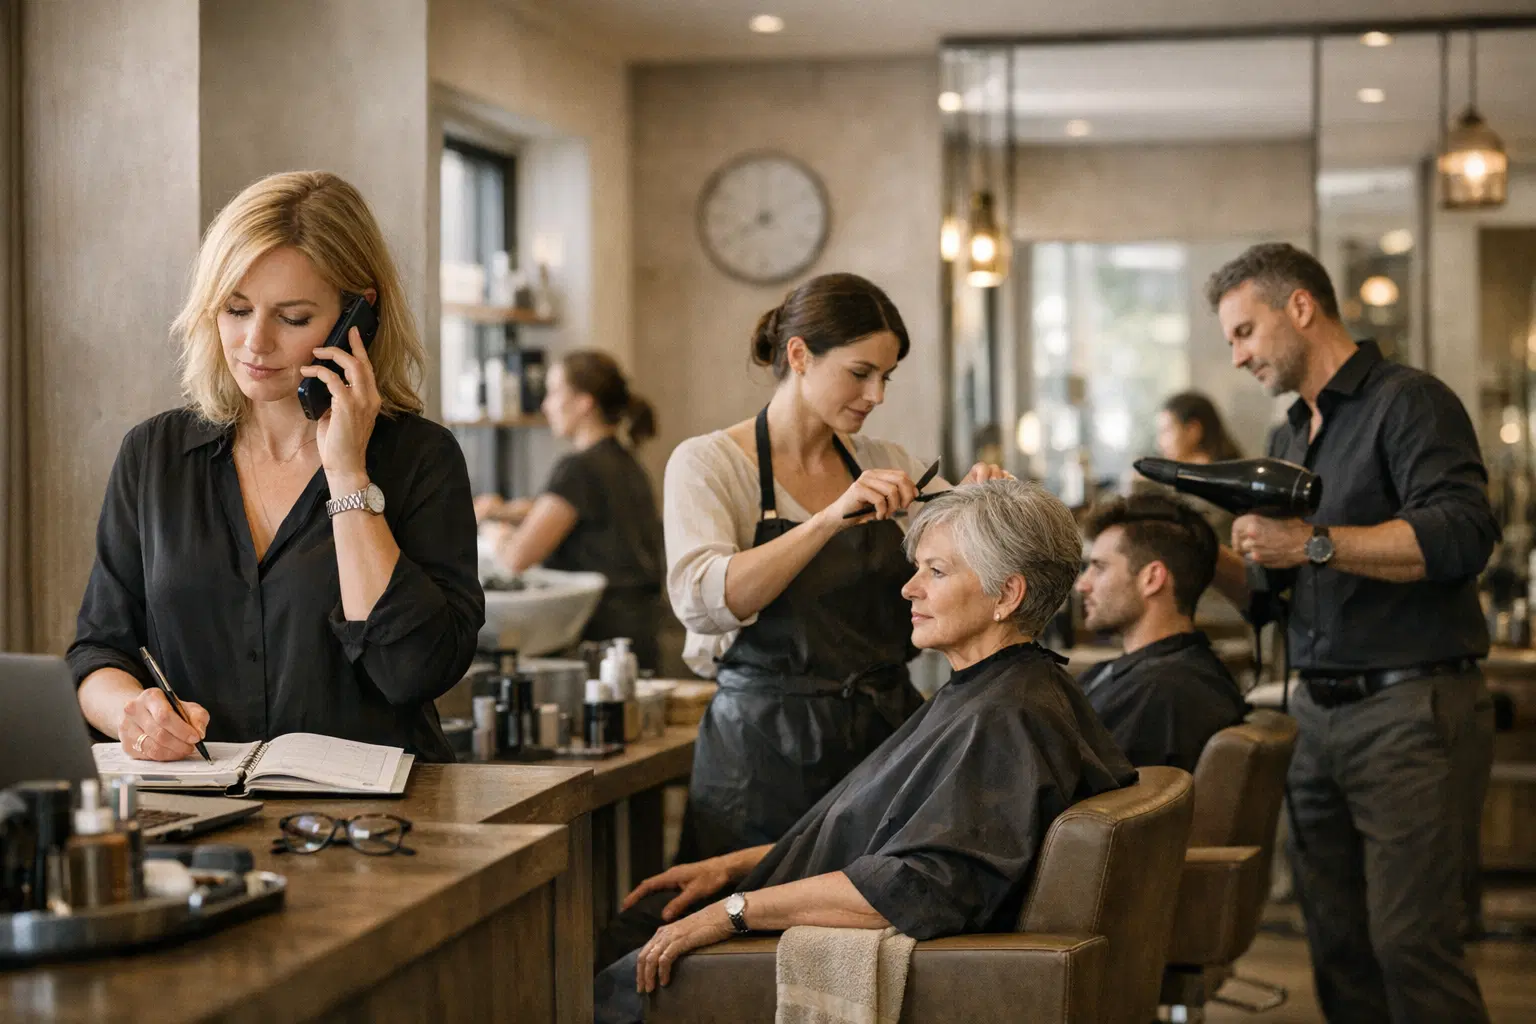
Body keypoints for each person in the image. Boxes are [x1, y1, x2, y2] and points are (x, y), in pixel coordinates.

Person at [593, 480, 1136, 1022]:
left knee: (607, 974)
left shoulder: (1007, 717)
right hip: (777, 898)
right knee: (633, 922)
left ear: (1008, 595)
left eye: (937, 571)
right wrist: (731, 867)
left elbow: (916, 885)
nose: (909, 589)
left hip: (772, 951)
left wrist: (732, 913)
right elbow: (887, 835)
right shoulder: (991, 692)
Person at [68, 171, 484, 763]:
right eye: (236, 309)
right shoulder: (154, 455)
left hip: (381, 833)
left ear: (357, 318)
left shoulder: (421, 459)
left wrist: (347, 478)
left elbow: (413, 671)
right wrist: (132, 714)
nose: (254, 343)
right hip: (201, 822)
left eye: (291, 318)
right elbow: (98, 651)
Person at [1206, 242, 1497, 1023]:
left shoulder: (1411, 402)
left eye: (1243, 333)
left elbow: (1462, 535)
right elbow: (1273, 598)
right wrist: (1206, 553)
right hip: (1315, 720)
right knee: (1336, 944)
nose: (1236, 357)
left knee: (1411, 944)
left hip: (1411, 715)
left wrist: (1311, 541)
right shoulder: (1286, 440)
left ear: (1300, 306)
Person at [663, 273, 1009, 861]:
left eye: (886, 377)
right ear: (798, 354)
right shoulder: (709, 464)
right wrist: (827, 520)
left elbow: (978, 560)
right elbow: (703, 599)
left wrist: (986, 503)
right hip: (761, 755)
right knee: (746, 931)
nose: (876, 395)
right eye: (860, 373)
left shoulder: (887, 463)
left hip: (883, 742)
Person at [476, 351, 665, 670]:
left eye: (553, 393)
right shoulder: (625, 462)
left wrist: (496, 533)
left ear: (583, 403)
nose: (545, 405)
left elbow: (515, 559)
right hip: (638, 639)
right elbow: (563, 511)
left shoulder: (578, 469)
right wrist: (505, 511)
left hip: (597, 643)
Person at [1075, 492, 1247, 772]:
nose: (1083, 584)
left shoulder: (1165, 693)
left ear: (1152, 579)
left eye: (1099, 568)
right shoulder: (1159, 676)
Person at [1148, 390, 1245, 543]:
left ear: (1193, 430)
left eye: (1166, 431)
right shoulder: (1175, 482)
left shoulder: (1224, 486)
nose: (1159, 443)